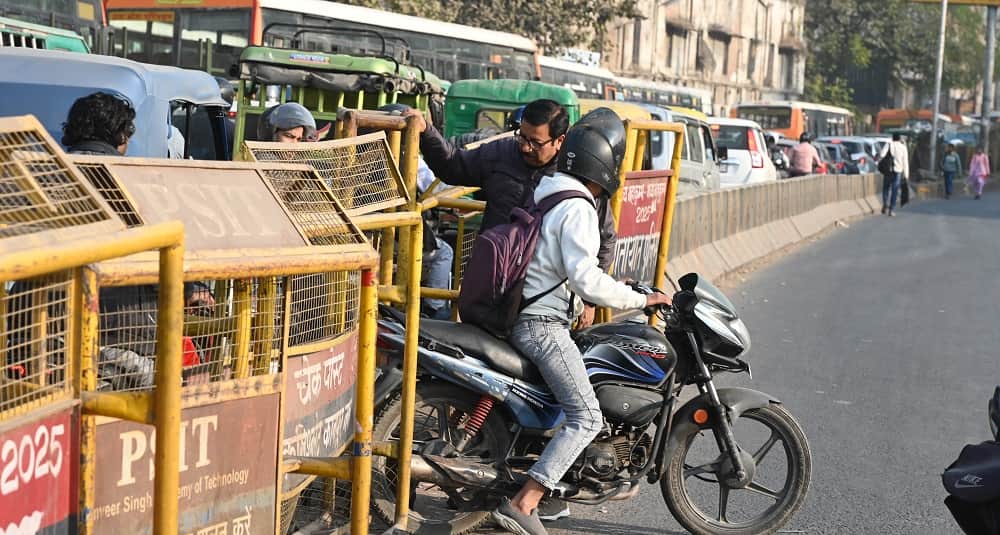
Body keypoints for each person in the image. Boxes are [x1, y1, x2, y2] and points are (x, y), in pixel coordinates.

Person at [489, 108, 671, 535]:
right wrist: (638, 299)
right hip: (542, 325)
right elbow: (585, 279)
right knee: (586, 417)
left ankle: (554, 494)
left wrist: (619, 286)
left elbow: (568, 267)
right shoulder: (578, 208)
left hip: (527, 314)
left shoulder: (549, 191)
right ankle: (524, 503)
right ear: (604, 164)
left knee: (567, 402)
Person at [404, 99, 617, 332]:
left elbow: (605, 237)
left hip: (543, 302)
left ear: (560, 141)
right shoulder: (501, 153)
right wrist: (426, 131)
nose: (525, 147)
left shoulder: (581, 175)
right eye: (522, 137)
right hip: (491, 287)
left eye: (535, 143)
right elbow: (453, 165)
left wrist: (589, 300)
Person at [61, 91, 136, 155]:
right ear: (121, 135)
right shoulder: (129, 167)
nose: (127, 141)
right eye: (128, 133)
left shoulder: (57, 164)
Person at [879, 133, 910, 216]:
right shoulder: (903, 147)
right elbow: (905, 162)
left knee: (885, 188)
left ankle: (885, 203)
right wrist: (906, 175)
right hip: (898, 172)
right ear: (899, 139)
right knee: (894, 191)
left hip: (888, 171)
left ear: (892, 138)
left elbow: (882, 154)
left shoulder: (889, 144)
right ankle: (891, 210)